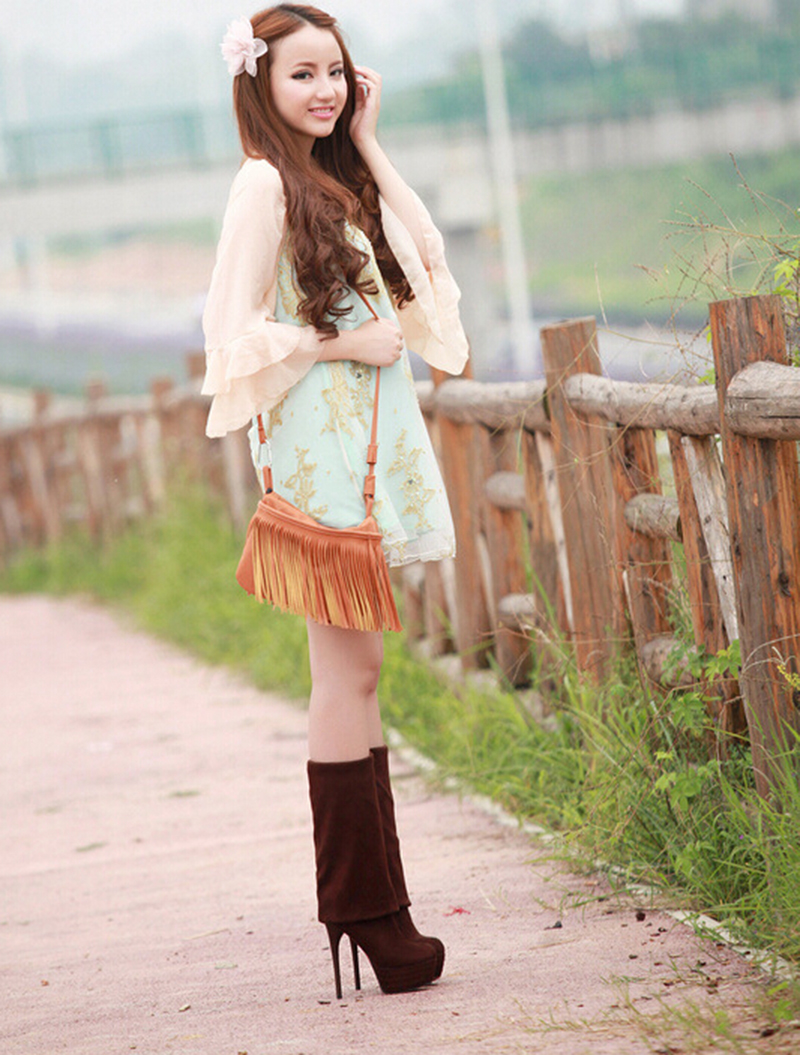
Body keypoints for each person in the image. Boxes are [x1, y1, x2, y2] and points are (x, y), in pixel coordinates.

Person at [202, 4, 468, 998]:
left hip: (358, 451)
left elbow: (426, 263)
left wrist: (369, 141)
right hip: (320, 462)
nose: (322, 90)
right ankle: (363, 907)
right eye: (302, 74)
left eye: (335, 73)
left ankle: (378, 906)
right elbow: (229, 338)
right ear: (260, 83)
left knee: (360, 672)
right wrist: (340, 342)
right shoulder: (262, 184)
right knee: (345, 674)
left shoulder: (328, 177)